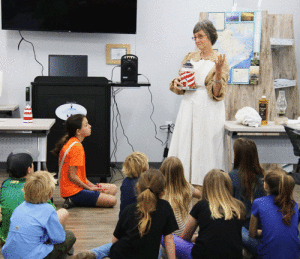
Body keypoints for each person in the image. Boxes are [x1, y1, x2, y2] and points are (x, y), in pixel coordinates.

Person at [168, 19, 229, 185]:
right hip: (189, 103)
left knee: (207, 143)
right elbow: (182, 81)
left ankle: (207, 182)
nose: (197, 40)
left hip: (209, 106)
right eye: (194, 37)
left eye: (201, 36)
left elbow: (217, 92)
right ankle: (184, 179)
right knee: (186, 138)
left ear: (210, 37)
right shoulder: (190, 57)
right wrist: (176, 83)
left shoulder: (220, 59)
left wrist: (217, 71)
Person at [74, 169, 179, 259]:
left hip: (121, 254)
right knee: (158, 250)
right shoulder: (165, 207)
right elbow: (168, 239)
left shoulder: (129, 209)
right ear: (163, 192)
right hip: (148, 254)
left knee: (113, 246)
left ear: (138, 187)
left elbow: (115, 240)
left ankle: (95, 253)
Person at [171, 169, 246, 259]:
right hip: (234, 256)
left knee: (166, 237)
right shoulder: (239, 207)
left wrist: (195, 238)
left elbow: (185, 237)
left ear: (207, 187)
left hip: (202, 255)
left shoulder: (201, 205)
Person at [2, 171, 76, 259]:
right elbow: (59, 239)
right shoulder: (48, 209)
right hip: (32, 256)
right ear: (50, 194)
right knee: (70, 236)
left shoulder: (19, 208)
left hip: (9, 255)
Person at [0, 151, 69, 244]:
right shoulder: (35, 186)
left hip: (5, 238)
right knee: (61, 214)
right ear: (29, 169)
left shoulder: (5, 184)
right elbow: (51, 213)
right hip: (28, 240)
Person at [52, 114, 117, 208]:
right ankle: (73, 200)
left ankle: (75, 200)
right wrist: (90, 188)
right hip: (73, 192)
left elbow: (80, 177)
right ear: (78, 131)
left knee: (113, 188)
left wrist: (92, 187)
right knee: (112, 200)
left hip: (76, 187)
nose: (90, 126)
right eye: (86, 125)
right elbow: (72, 176)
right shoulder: (76, 147)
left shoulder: (73, 142)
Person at [246, 169, 300, 259]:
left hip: (268, 255)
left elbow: (252, 233)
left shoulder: (258, 202)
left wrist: (261, 232)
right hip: (294, 255)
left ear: (265, 185)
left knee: (243, 231)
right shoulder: (294, 204)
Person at [159, 156, 201, 258]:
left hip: (169, 244)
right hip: (187, 239)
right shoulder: (187, 188)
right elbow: (199, 194)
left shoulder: (160, 193)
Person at [229, 138, 266, 229]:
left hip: (240, 227)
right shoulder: (263, 177)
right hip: (261, 227)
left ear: (237, 156)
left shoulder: (231, 176)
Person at [120, 151, 148, 216]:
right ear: (145, 168)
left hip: (124, 218)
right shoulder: (144, 184)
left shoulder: (125, 181)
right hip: (137, 220)